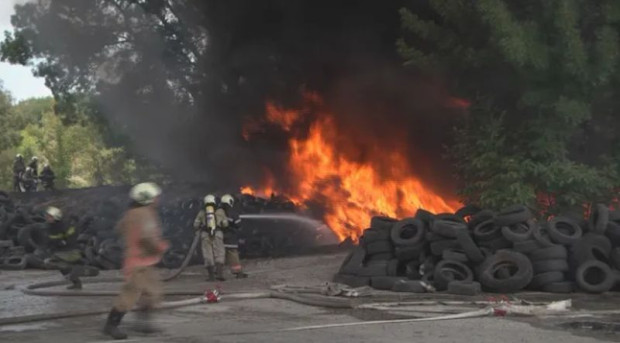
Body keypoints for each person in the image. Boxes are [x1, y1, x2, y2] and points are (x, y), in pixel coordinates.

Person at [102, 182, 169, 340]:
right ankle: (111, 326)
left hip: (141, 261)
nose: (157, 200)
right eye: (155, 197)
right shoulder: (144, 213)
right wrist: (161, 247)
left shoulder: (132, 213)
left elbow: (120, 228)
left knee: (152, 293)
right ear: (147, 198)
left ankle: (143, 324)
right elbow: (147, 238)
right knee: (129, 295)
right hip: (139, 263)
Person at [42, 206, 85, 290]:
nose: (47, 218)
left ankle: (78, 269)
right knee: (60, 266)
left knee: (50, 262)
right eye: (47, 216)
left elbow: (71, 238)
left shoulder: (65, 226)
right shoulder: (50, 227)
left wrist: (63, 242)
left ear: (56, 217)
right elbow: (50, 239)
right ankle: (76, 283)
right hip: (60, 251)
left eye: (49, 216)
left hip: (71, 251)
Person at [193, 194, 225, 281]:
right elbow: (225, 224)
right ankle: (220, 274)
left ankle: (211, 276)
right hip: (218, 234)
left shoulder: (202, 212)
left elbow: (195, 225)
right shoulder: (220, 211)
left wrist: (200, 226)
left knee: (208, 254)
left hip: (205, 235)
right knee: (219, 253)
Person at [217, 194, 248, 278]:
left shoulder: (218, 211)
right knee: (233, 254)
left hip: (219, 236)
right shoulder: (232, 212)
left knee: (219, 255)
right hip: (230, 237)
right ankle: (238, 273)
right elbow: (238, 224)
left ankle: (218, 273)